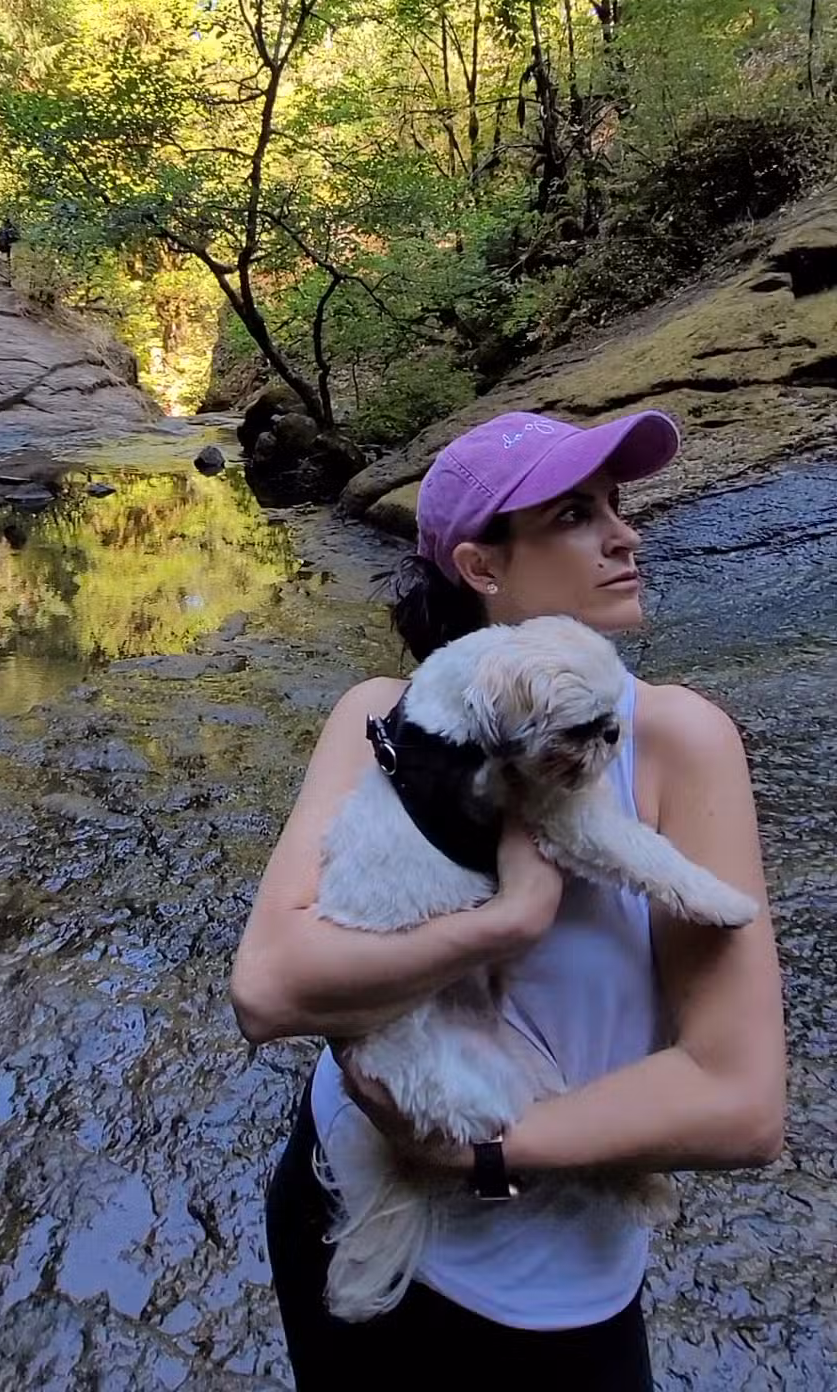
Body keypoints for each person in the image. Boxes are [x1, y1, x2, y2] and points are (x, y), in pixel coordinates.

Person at [230, 409, 786, 1389]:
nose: (626, 534)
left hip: (549, 1294)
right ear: (482, 568)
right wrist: (509, 921)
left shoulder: (675, 741)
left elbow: (740, 1102)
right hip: (335, 1197)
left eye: (617, 505)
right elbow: (270, 991)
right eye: (576, 512)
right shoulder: (379, 716)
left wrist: (475, 1156)